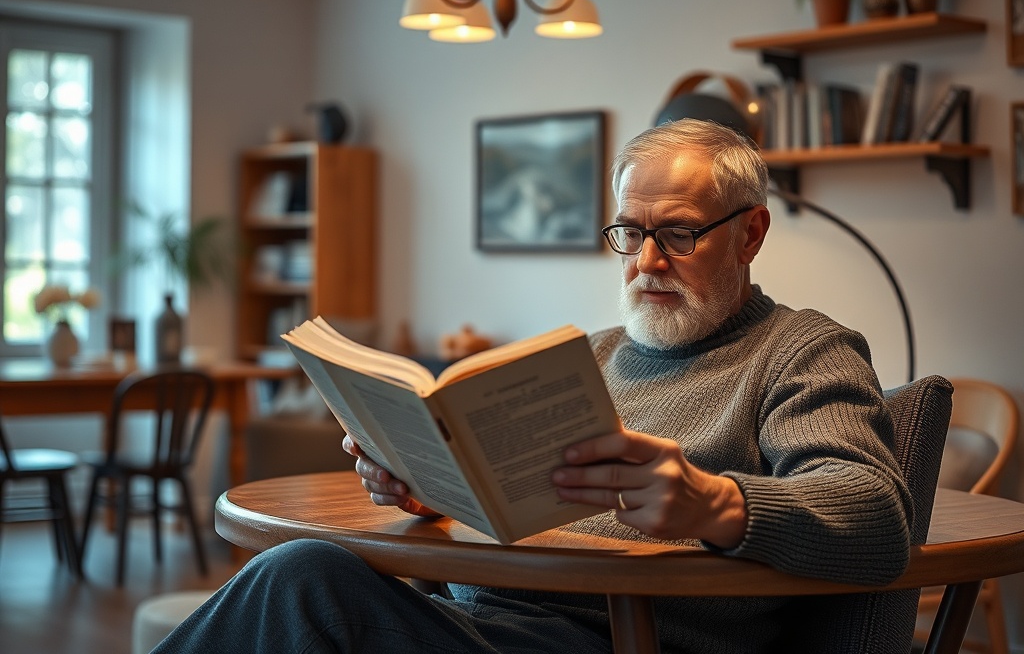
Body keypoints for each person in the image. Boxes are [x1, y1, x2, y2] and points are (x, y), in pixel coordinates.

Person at [154, 119, 912, 653]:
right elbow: (517, 498)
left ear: (751, 234)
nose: (647, 262)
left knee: (304, 580)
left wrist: (712, 502)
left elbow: (877, 514)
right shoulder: (596, 355)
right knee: (308, 578)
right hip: (482, 618)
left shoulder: (802, 352)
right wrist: (430, 486)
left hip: (613, 638)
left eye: (679, 234)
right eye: (629, 233)